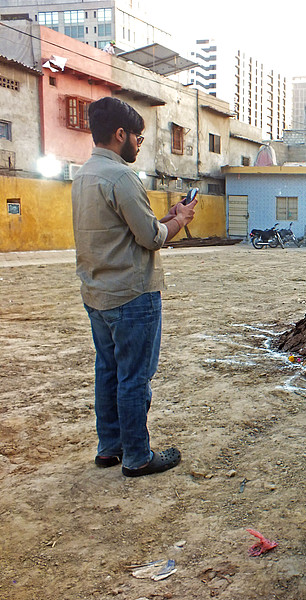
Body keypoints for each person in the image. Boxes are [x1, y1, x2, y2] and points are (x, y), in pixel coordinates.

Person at [72, 97, 197, 477]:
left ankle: (109, 448)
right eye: (138, 138)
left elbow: (126, 229)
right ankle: (138, 456)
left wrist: (165, 218)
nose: (139, 145)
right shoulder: (122, 177)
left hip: (98, 295)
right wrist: (182, 220)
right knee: (134, 378)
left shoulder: (84, 174)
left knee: (108, 372)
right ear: (120, 134)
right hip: (132, 296)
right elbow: (151, 238)